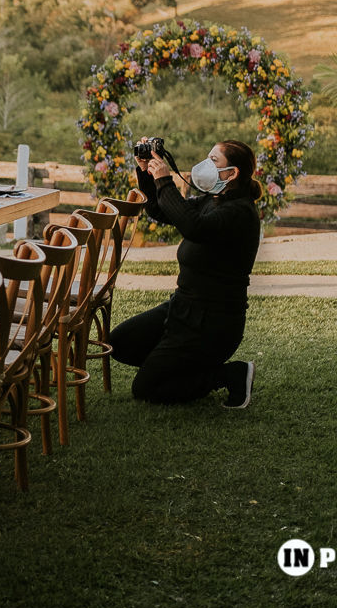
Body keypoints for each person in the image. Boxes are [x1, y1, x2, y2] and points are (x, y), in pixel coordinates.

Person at [109, 139, 261, 408]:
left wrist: (165, 181)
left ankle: (229, 374)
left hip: (211, 324)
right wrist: (147, 173)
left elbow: (194, 228)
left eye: (214, 161)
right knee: (120, 343)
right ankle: (175, 363)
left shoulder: (240, 212)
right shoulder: (212, 200)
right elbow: (160, 209)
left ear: (233, 173)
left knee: (147, 388)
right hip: (181, 309)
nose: (206, 165)